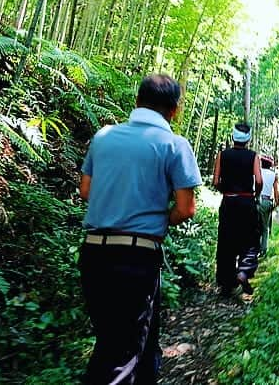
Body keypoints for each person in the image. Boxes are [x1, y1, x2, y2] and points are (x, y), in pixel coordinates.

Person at [78, 74, 202, 384]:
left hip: (93, 252)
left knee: (122, 342)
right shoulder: (174, 144)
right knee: (121, 354)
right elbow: (186, 208)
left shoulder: (104, 136)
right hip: (137, 257)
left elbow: (85, 190)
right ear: (175, 110)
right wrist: (159, 220)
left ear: (137, 102)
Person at [213, 123, 262, 296]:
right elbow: (259, 180)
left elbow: (216, 181)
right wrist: (256, 194)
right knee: (250, 238)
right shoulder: (253, 156)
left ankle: (226, 283)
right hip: (247, 201)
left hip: (228, 201)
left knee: (226, 240)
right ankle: (243, 271)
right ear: (248, 139)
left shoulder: (222, 155)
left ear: (233, 137)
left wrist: (226, 192)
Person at [257, 155, 279, 257]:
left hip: (255, 199)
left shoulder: (257, 172)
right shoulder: (273, 175)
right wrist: (277, 204)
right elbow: (276, 191)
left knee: (254, 226)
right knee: (265, 227)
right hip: (267, 201)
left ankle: (253, 248)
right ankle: (263, 250)